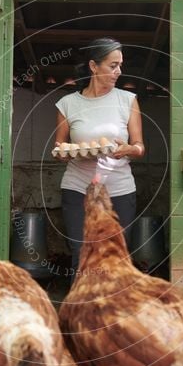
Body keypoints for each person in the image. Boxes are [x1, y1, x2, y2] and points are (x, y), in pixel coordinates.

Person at [53, 37, 145, 275]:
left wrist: (130, 149)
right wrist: (63, 153)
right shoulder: (67, 104)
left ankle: (116, 311)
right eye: (112, 65)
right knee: (81, 254)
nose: (118, 71)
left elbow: (139, 146)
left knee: (117, 257)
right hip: (77, 188)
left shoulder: (128, 100)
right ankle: (81, 310)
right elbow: (59, 145)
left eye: (120, 65)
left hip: (119, 190)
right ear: (94, 66)